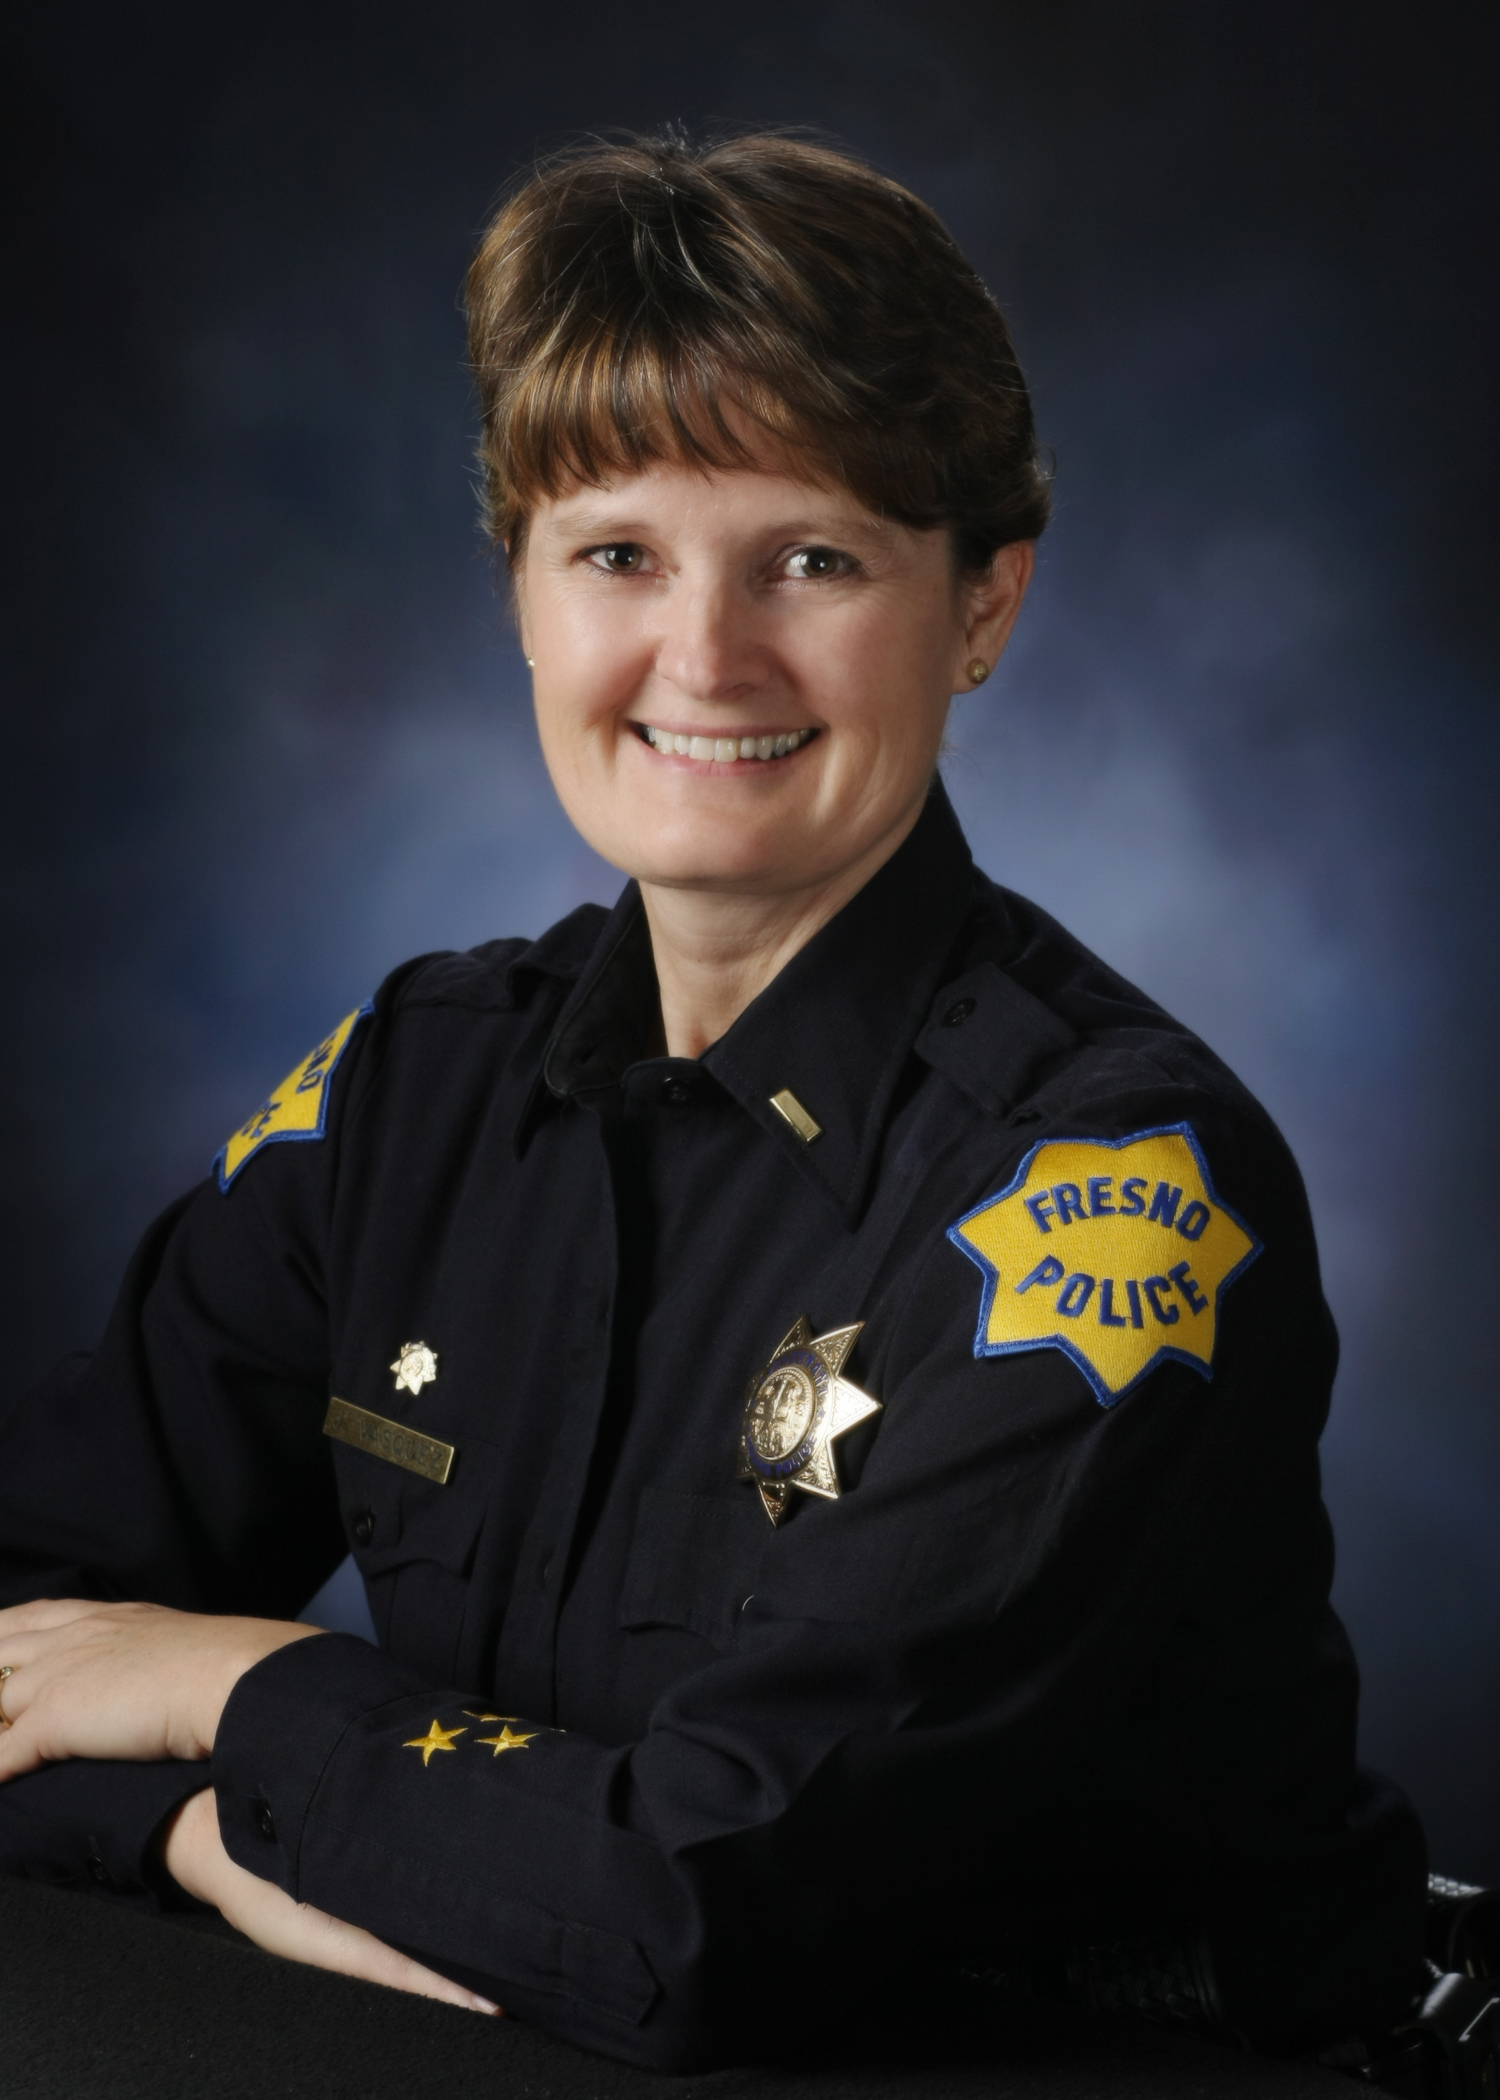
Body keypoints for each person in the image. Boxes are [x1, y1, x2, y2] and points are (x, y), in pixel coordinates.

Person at [0, 131, 1426, 2071]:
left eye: (812, 560)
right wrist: (189, 1836)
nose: (706, 658)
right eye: (618, 556)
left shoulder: (1112, 1196)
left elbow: (701, 1921)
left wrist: (237, 1698)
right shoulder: (415, 1089)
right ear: (521, 595)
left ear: (985, 605)